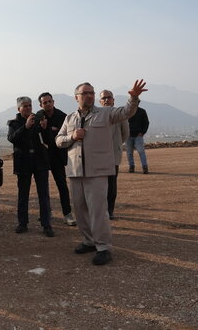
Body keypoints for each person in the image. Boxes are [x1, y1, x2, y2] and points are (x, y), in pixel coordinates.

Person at [56, 80, 147, 265]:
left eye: (91, 93)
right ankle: (89, 241)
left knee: (98, 211)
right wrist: (72, 136)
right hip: (75, 170)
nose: (89, 96)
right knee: (80, 210)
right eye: (85, 93)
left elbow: (126, 111)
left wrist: (134, 97)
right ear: (76, 98)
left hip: (97, 171)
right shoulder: (69, 118)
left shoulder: (105, 113)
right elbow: (58, 140)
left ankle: (104, 247)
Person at [8, 96, 54, 237]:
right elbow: (12, 138)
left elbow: (47, 140)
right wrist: (25, 127)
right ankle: (22, 223)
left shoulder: (38, 119)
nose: (28, 108)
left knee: (44, 194)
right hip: (23, 162)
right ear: (19, 108)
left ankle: (46, 224)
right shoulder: (14, 123)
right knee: (23, 194)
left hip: (40, 161)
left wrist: (45, 128)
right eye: (25, 106)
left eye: (30, 105)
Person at [36, 92, 76, 227]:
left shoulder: (62, 116)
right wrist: (51, 130)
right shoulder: (38, 116)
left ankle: (67, 214)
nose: (47, 104)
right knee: (43, 187)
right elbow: (36, 134)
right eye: (44, 102)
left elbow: (65, 134)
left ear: (53, 102)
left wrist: (50, 130)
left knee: (62, 185)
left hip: (57, 156)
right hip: (41, 156)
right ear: (41, 105)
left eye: (49, 101)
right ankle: (46, 213)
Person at [99, 90, 129, 220]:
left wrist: (116, 145)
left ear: (113, 100)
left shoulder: (119, 114)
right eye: (104, 98)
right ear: (99, 101)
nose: (106, 100)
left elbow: (125, 133)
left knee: (111, 184)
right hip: (98, 155)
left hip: (113, 155)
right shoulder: (96, 115)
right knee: (99, 184)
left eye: (109, 97)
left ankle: (109, 210)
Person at [126, 106, 150, 174]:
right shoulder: (127, 111)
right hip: (128, 136)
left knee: (141, 151)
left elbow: (146, 122)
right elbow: (123, 122)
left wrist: (142, 132)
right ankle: (131, 167)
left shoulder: (142, 111)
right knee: (129, 152)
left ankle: (145, 167)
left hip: (138, 136)